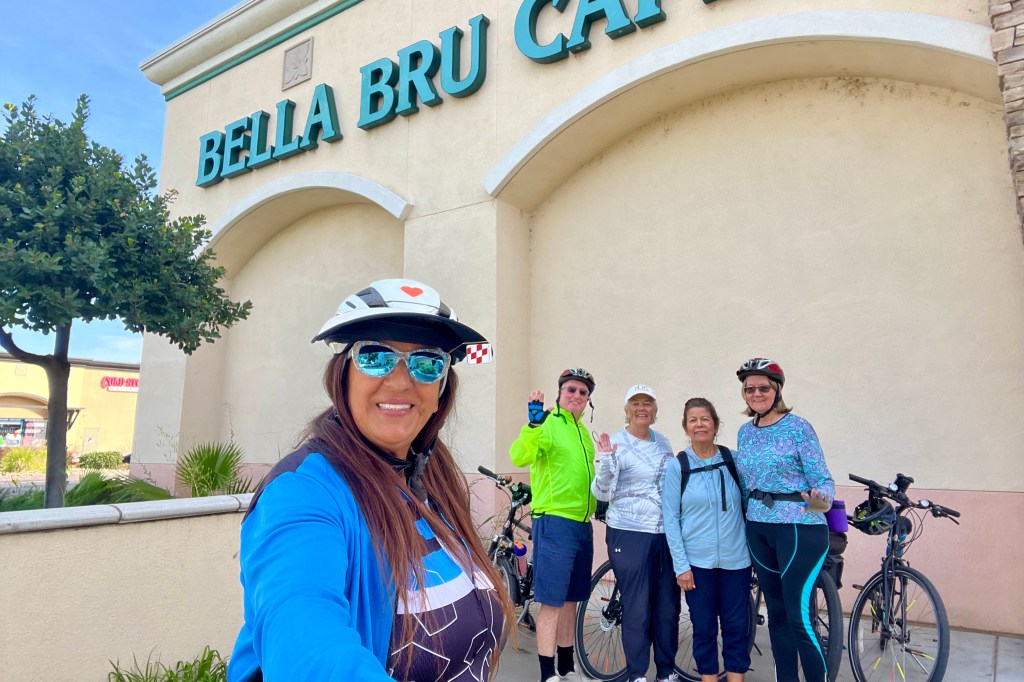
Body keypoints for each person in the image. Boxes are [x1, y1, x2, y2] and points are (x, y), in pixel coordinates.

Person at [228, 279, 512, 682]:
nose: (400, 381)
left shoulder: (432, 478)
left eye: (427, 362)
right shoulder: (302, 493)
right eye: (375, 356)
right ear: (342, 375)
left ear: (441, 389)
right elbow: (306, 642)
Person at [734, 358, 835, 682]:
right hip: (758, 527)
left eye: (763, 387)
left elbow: (822, 479)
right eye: (749, 389)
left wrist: (818, 503)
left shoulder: (798, 427)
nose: (756, 393)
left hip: (798, 528)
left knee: (798, 618)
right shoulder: (745, 433)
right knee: (777, 616)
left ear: (776, 390)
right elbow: (744, 484)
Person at [510, 368, 599, 682]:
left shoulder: (583, 433)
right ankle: (548, 674)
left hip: (582, 524)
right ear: (560, 393)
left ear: (588, 400)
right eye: (571, 390)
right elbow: (519, 456)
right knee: (551, 601)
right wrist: (533, 424)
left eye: (583, 392)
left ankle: (567, 668)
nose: (577, 395)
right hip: (555, 521)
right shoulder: (548, 422)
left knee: (571, 600)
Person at [592, 384, 680, 682]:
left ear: (655, 410)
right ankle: (637, 674)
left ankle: (665, 672)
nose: (642, 408)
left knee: (667, 607)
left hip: (665, 533)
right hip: (629, 533)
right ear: (627, 410)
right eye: (636, 403)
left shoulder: (663, 441)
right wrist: (606, 463)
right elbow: (602, 493)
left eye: (648, 403)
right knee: (638, 606)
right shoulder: (616, 443)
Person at [662, 398, 750, 682]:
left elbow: (752, 501)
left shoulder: (732, 460)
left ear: (715, 424)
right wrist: (681, 566)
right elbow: (670, 519)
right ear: (685, 427)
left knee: (737, 627)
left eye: (705, 419)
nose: (699, 424)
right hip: (696, 564)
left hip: (737, 561)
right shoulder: (679, 466)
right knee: (704, 629)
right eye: (693, 420)